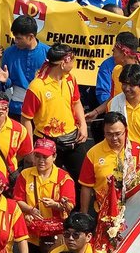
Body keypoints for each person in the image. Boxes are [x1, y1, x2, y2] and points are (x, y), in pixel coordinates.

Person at [13, 137, 76, 253]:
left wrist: (56, 205)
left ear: (54, 157)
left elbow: (70, 205)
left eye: (45, 157)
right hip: (32, 235)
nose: (41, 161)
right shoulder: (25, 175)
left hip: (56, 237)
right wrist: (30, 209)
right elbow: (17, 200)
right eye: (38, 156)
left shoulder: (63, 178)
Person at [21, 43, 89, 182]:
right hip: (47, 141)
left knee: (83, 179)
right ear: (64, 63)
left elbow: (76, 102)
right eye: (73, 60)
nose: (74, 63)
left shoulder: (71, 79)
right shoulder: (37, 86)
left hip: (73, 138)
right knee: (45, 179)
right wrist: (30, 150)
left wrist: (83, 125)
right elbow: (26, 118)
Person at [79, 112, 140, 214]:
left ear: (125, 131)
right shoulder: (93, 153)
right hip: (104, 212)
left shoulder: (139, 151)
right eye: (109, 134)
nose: (114, 138)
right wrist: (84, 214)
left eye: (118, 134)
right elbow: (86, 186)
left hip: (135, 211)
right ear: (104, 132)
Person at [2, 16, 49, 120]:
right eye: (15, 37)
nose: (16, 41)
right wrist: (5, 80)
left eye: (19, 38)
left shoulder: (48, 53)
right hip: (16, 108)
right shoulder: (9, 53)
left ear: (31, 36)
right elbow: (8, 83)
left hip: (42, 109)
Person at [108, 64, 140, 152]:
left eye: (131, 85)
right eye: (124, 84)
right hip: (121, 155)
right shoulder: (113, 104)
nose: (127, 89)